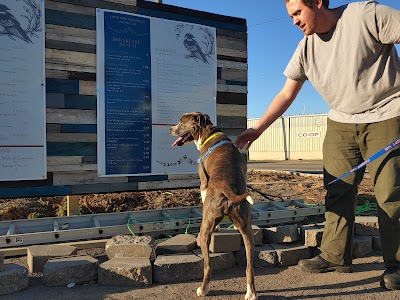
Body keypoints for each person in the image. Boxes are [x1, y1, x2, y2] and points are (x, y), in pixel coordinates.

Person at [235, 0, 400, 290]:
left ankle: (396, 265)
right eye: (291, 16)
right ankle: (336, 256)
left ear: (319, 3)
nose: (294, 21)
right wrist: (258, 129)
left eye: (298, 12)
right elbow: (287, 93)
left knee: (390, 193)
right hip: (341, 121)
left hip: (386, 113)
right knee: (337, 189)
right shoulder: (306, 48)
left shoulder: (365, 15)